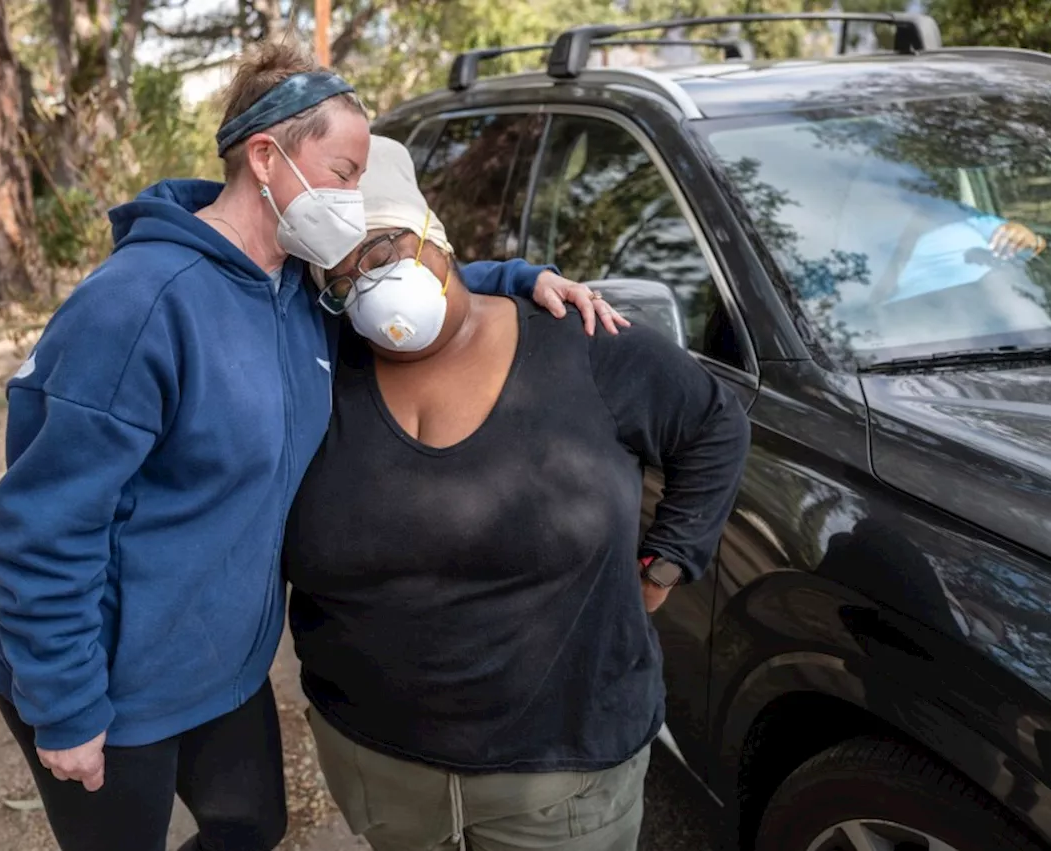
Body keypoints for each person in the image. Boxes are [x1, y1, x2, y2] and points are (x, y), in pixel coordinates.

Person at [0, 43, 622, 851]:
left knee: (253, 823)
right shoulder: (138, 308)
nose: (357, 197)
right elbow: (41, 529)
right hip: (114, 674)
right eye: (346, 171)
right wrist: (66, 704)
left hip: (221, 664)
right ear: (266, 156)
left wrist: (520, 280)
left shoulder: (294, 289)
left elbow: (410, 272)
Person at [282, 135, 752, 851]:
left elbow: (714, 422)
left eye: (380, 251)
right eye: (340, 278)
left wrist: (671, 556)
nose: (368, 287)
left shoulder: (583, 343)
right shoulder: (315, 369)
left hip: (565, 782)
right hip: (380, 773)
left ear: (431, 230)